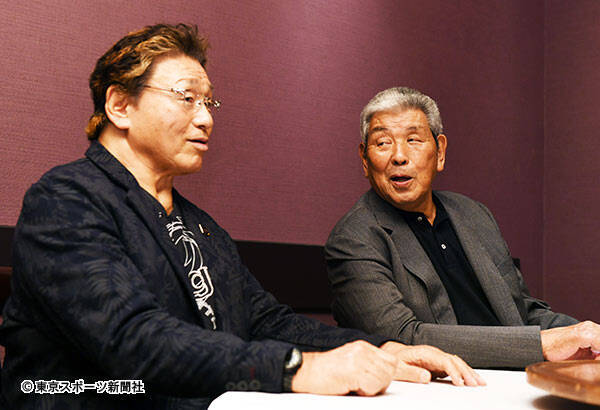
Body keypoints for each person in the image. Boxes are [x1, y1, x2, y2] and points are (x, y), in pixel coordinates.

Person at [0, 26, 483, 409]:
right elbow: (133, 341)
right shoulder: (65, 200)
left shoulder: (199, 224)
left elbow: (265, 320)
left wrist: (383, 348)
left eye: (208, 102)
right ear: (120, 105)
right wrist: (297, 369)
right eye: (186, 97)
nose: (206, 118)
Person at [325, 86, 600, 369]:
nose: (399, 156)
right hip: (447, 384)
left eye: (413, 140)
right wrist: (540, 345)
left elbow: (521, 311)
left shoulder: (473, 214)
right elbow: (404, 338)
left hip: (522, 376)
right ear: (364, 159)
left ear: (440, 152)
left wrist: (584, 336)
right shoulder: (354, 238)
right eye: (383, 143)